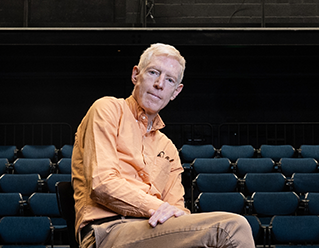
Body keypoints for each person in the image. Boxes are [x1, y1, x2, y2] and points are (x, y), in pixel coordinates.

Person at [71, 43, 255, 248]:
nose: (159, 84)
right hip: (107, 230)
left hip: (155, 231)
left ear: (176, 92)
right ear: (135, 75)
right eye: (153, 73)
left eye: (169, 80)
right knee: (232, 228)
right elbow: (102, 185)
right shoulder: (108, 109)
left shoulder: (167, 147)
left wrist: (173, 213)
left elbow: (176, 209)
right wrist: (160, 207)